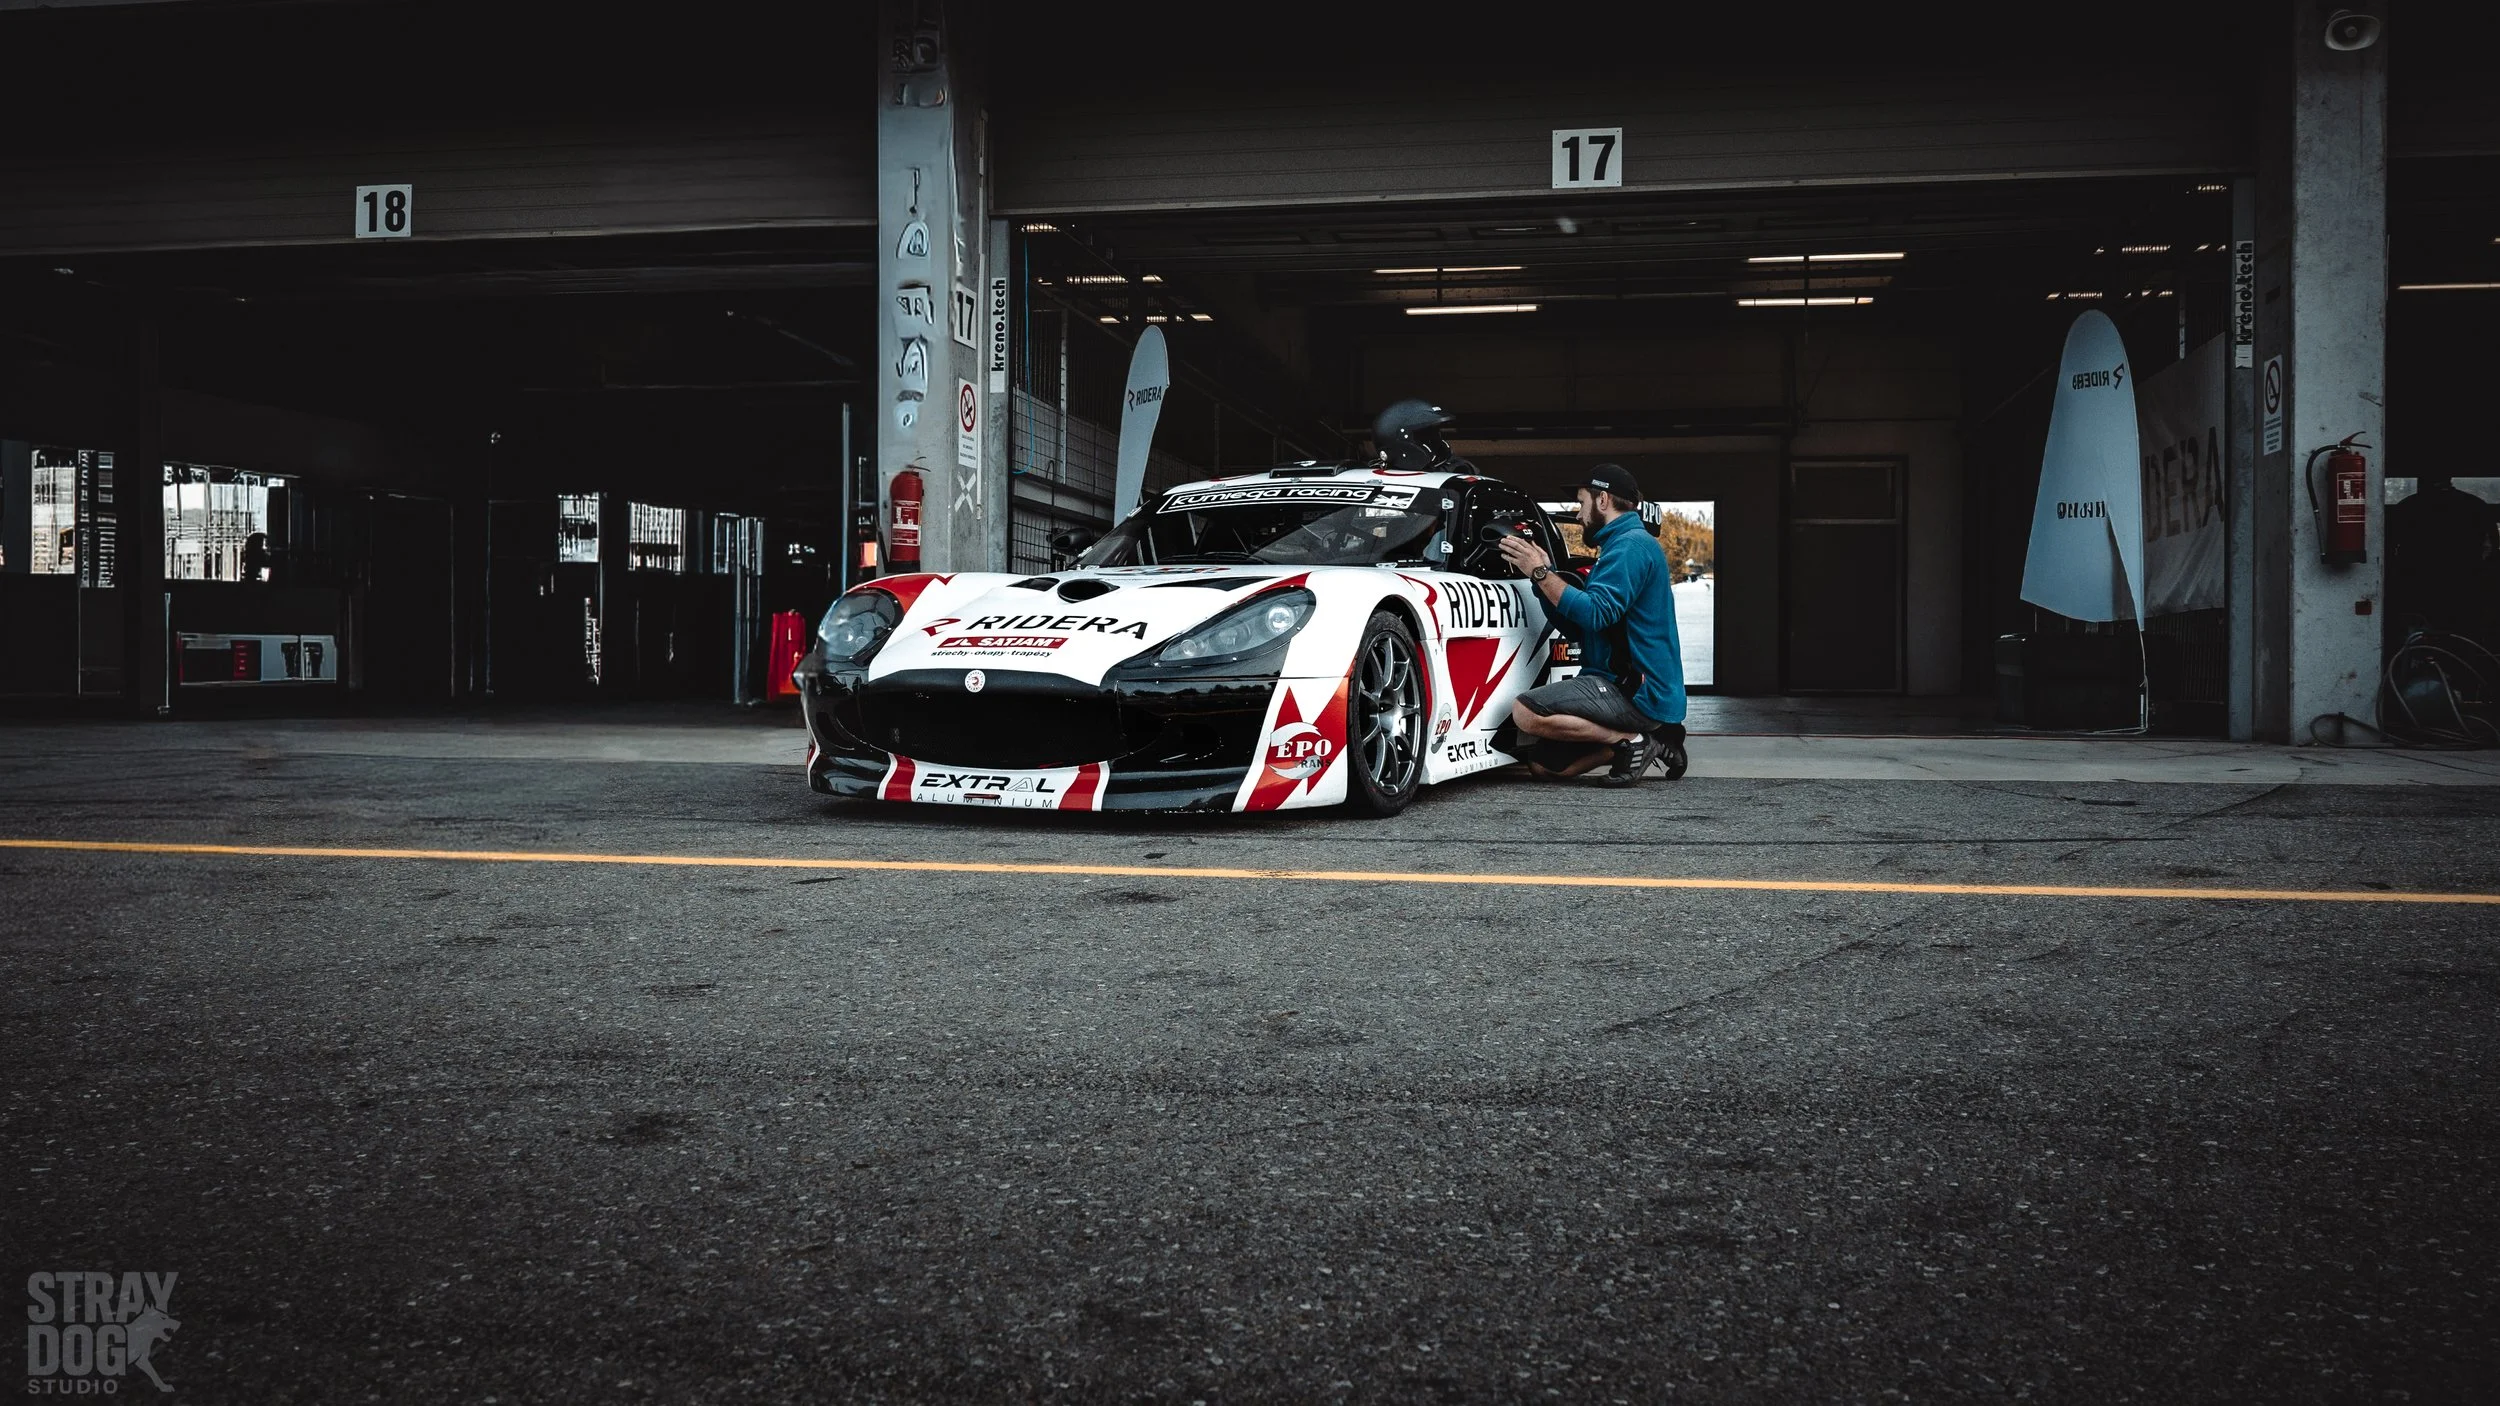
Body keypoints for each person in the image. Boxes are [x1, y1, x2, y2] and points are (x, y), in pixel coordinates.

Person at [1495, 463, 1687, 786]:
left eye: (1582, 503)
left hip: (1633, 691)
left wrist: (1540, 573)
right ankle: (1650, 740)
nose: (1579, 514)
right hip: (1618, 684)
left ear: (1602, 501)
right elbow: (1584, 629)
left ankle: (1635, 741)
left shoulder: (1631, 547)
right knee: (1545, 766)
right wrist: (1543, 580)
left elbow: (1595, 613)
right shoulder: (1617, 546)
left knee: (1525, 712)